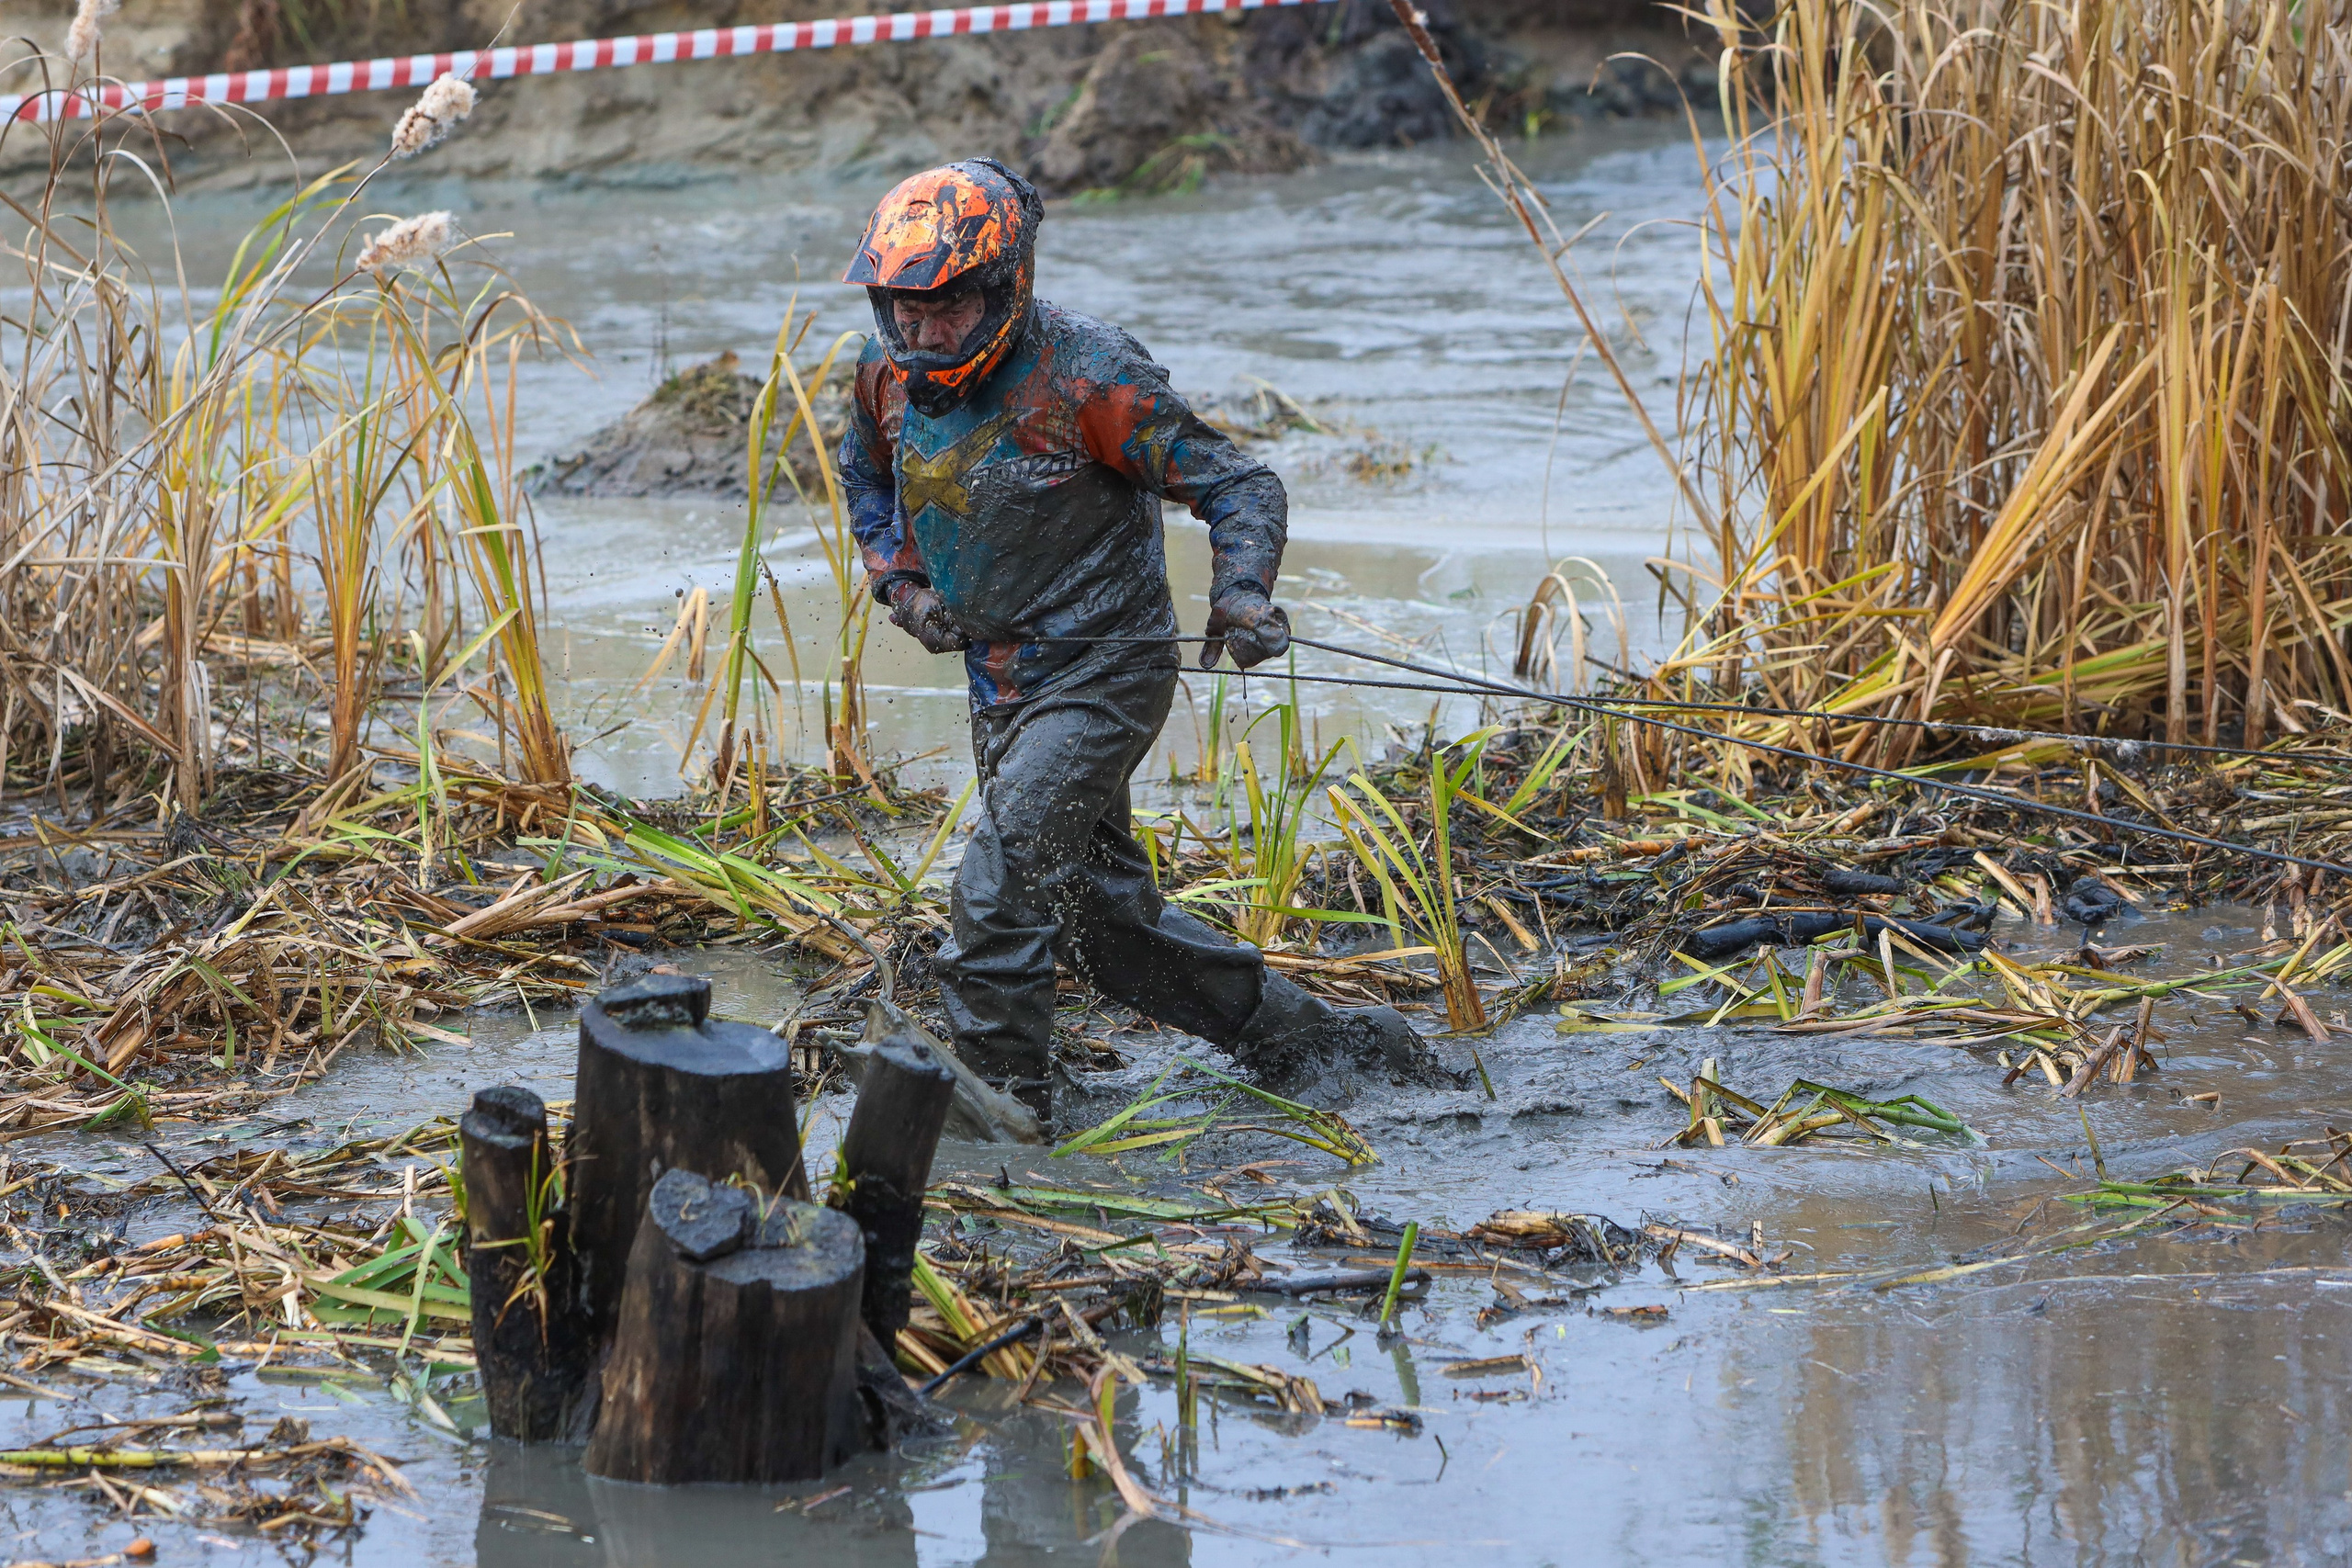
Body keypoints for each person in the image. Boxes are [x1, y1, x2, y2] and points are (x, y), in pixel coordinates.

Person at [838, 156, 1427, 1118]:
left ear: (1006, 286)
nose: (921, 331)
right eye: (901, 309)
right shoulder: (882, 378)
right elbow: (866, 481)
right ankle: (1312, 1041)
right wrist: (900, 586)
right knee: (1098, 925)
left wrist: (1240, 594)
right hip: (1000, 682)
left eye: (946, 309)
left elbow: (1239, 484)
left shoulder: (1089, 376)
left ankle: (1009, 1101)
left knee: (995, 891)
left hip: (1103, 676)